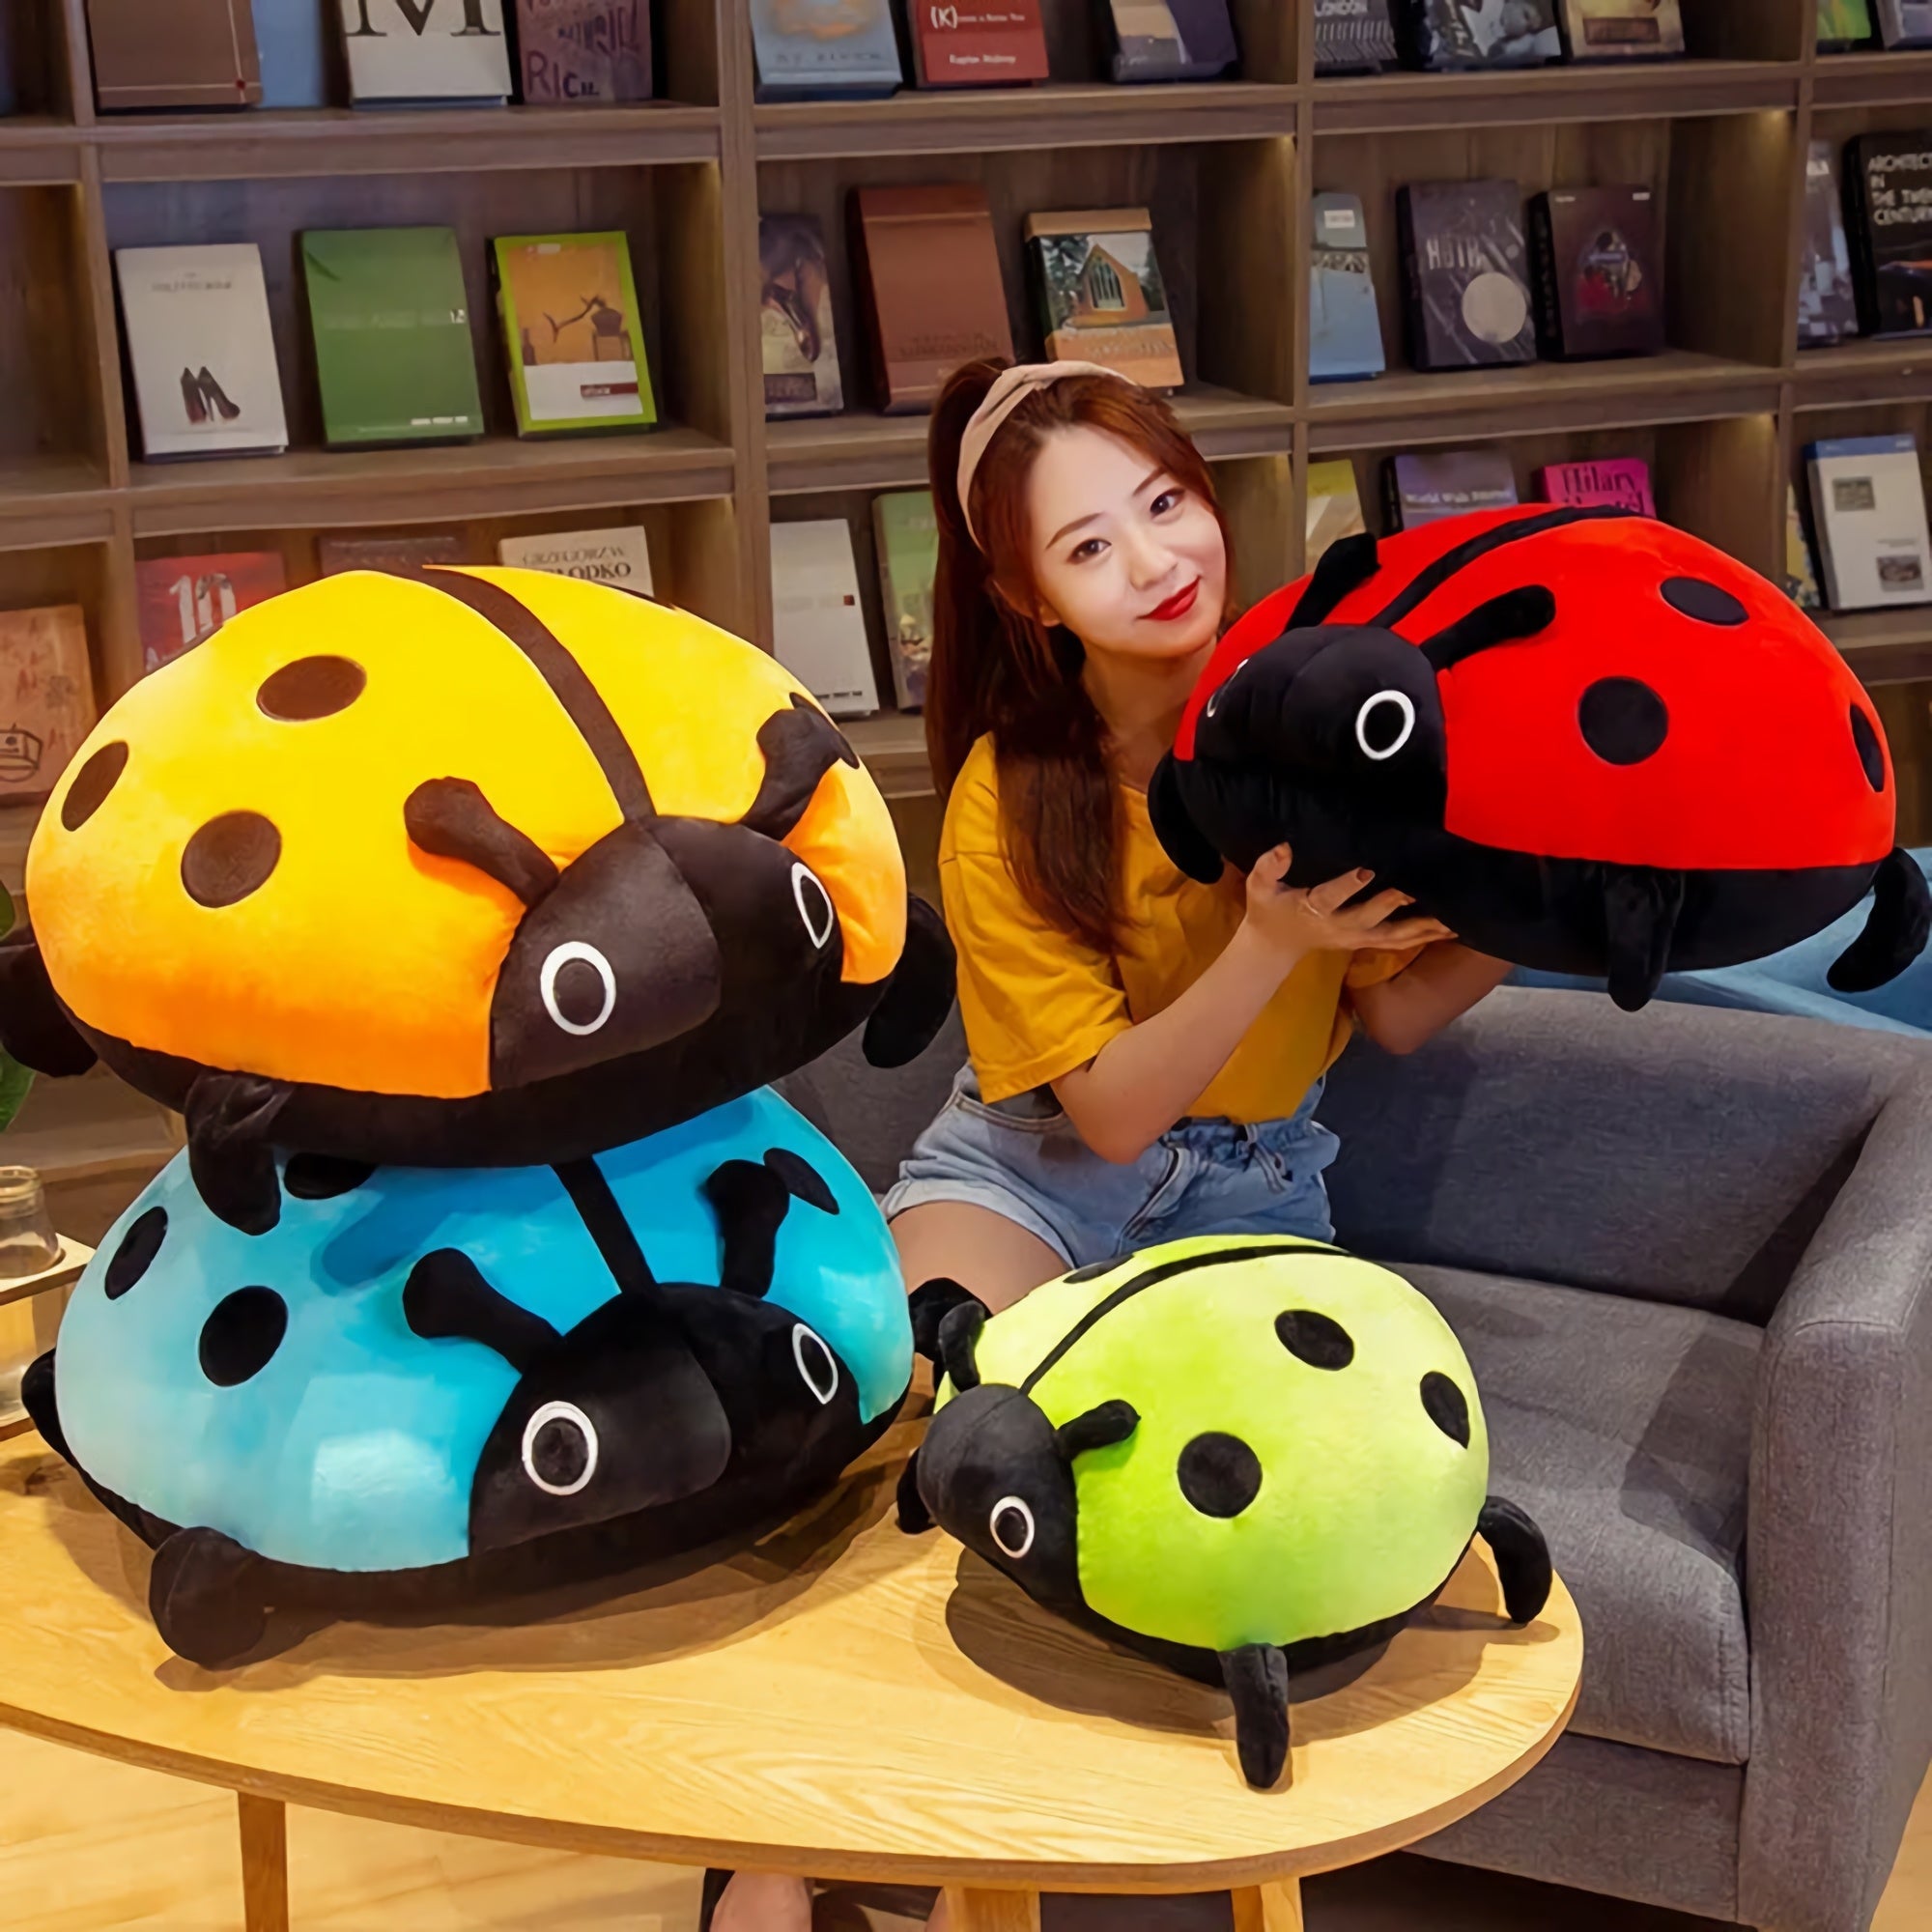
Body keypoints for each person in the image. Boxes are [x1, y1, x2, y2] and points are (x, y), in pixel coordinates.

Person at [709, 360, 1512, 1932]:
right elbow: (1108, 1113)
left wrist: (1542, 901)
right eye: (1091, 546)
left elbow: (1402, 1016)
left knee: (1274, 1495)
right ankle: (782, 1850)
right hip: (1025, 1170)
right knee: (915, 1418)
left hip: (1262, 1188)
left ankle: (1106, 1846)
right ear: (1025, 595)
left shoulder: (1314, 717)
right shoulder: (1012, 792)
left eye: (1166, 503)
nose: (1158, 561)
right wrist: (1270, 940)